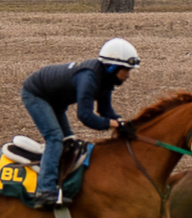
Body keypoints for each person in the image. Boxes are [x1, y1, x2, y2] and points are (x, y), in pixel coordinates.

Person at [21, 38, 139, 205]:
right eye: (126, 70)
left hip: (56, 100)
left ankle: (61, 183)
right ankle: (44, 191)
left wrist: (121, 122)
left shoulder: (107, 79)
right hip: (37, 94)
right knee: (55, 138)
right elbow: (85, 116)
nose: (128, 75)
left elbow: (105, 111)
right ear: (113, 67)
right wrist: (111, 124)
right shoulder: (88, 78)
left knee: (68, 141)